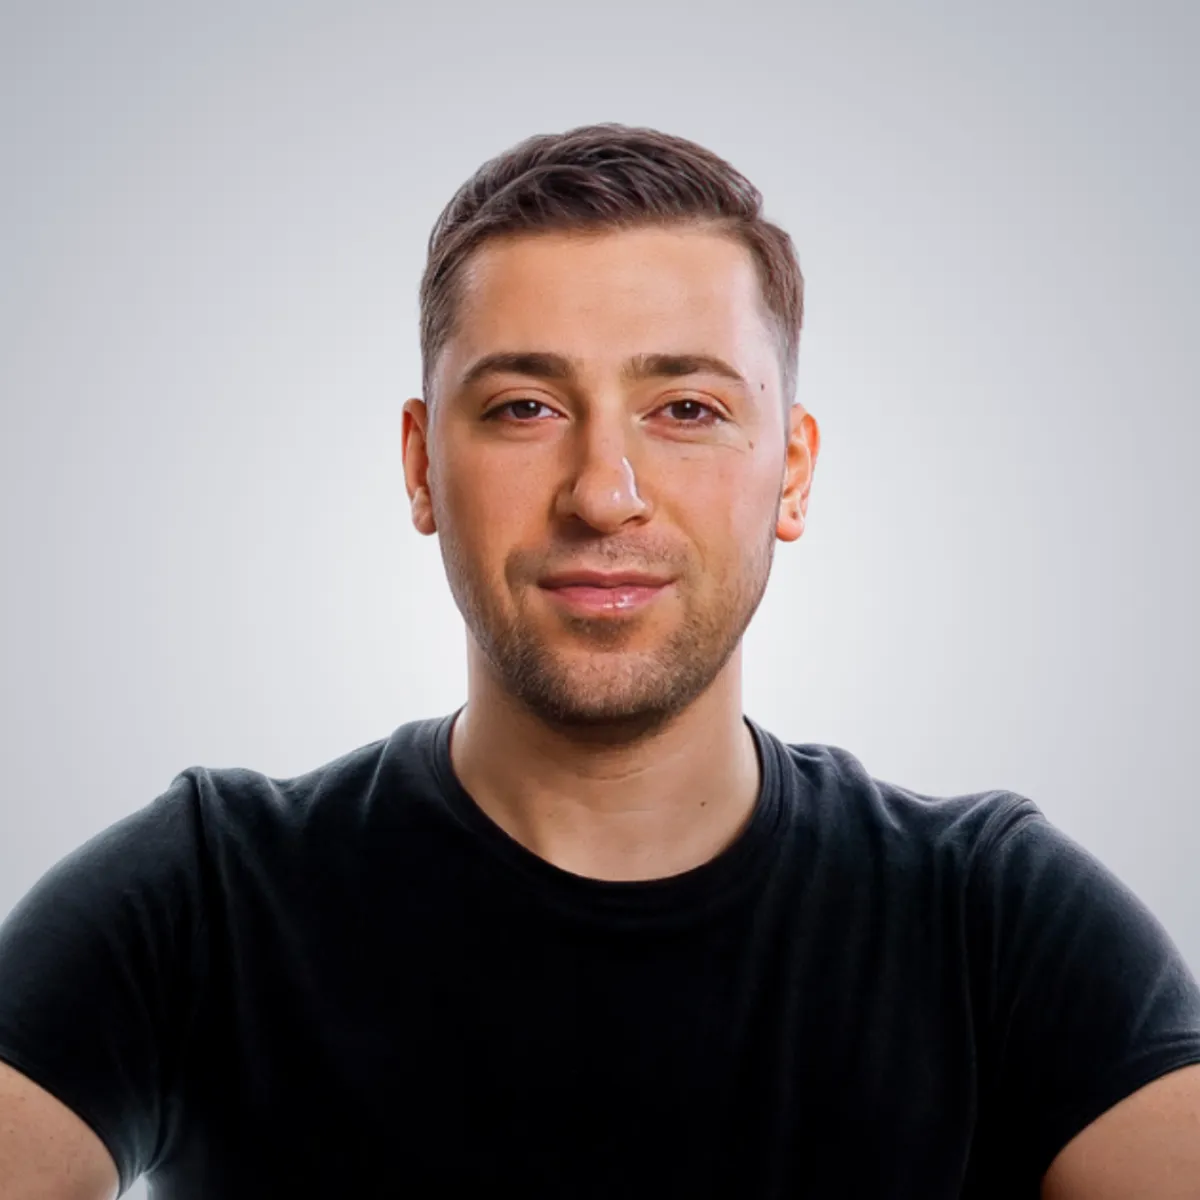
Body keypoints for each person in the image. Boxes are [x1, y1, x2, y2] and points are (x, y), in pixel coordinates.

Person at [1, 124, 1198, 1200]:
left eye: (685, 409)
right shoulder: (207, 898)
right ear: (421, 466)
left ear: (792, 469)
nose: (603, 494)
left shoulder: (993, 920)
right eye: (525, 406)